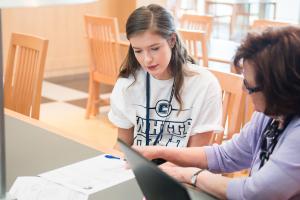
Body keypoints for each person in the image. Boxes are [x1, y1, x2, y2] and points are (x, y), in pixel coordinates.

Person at [134, 26, 300, 199]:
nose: (243, 89)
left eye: (249, 86)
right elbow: (226, 155)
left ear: (279, 89)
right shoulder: (271, 114)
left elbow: (253, 193)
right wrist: (160, 151)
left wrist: (192, 175)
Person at [108, 4, 223, 148]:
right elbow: (122, 146)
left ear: (172, 40)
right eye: (138, 51)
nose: (147, 59)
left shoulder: (204, 84)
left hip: (182, 168)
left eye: (154, 48)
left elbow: (197, 157)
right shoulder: (128, 82)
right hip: (137, 167)